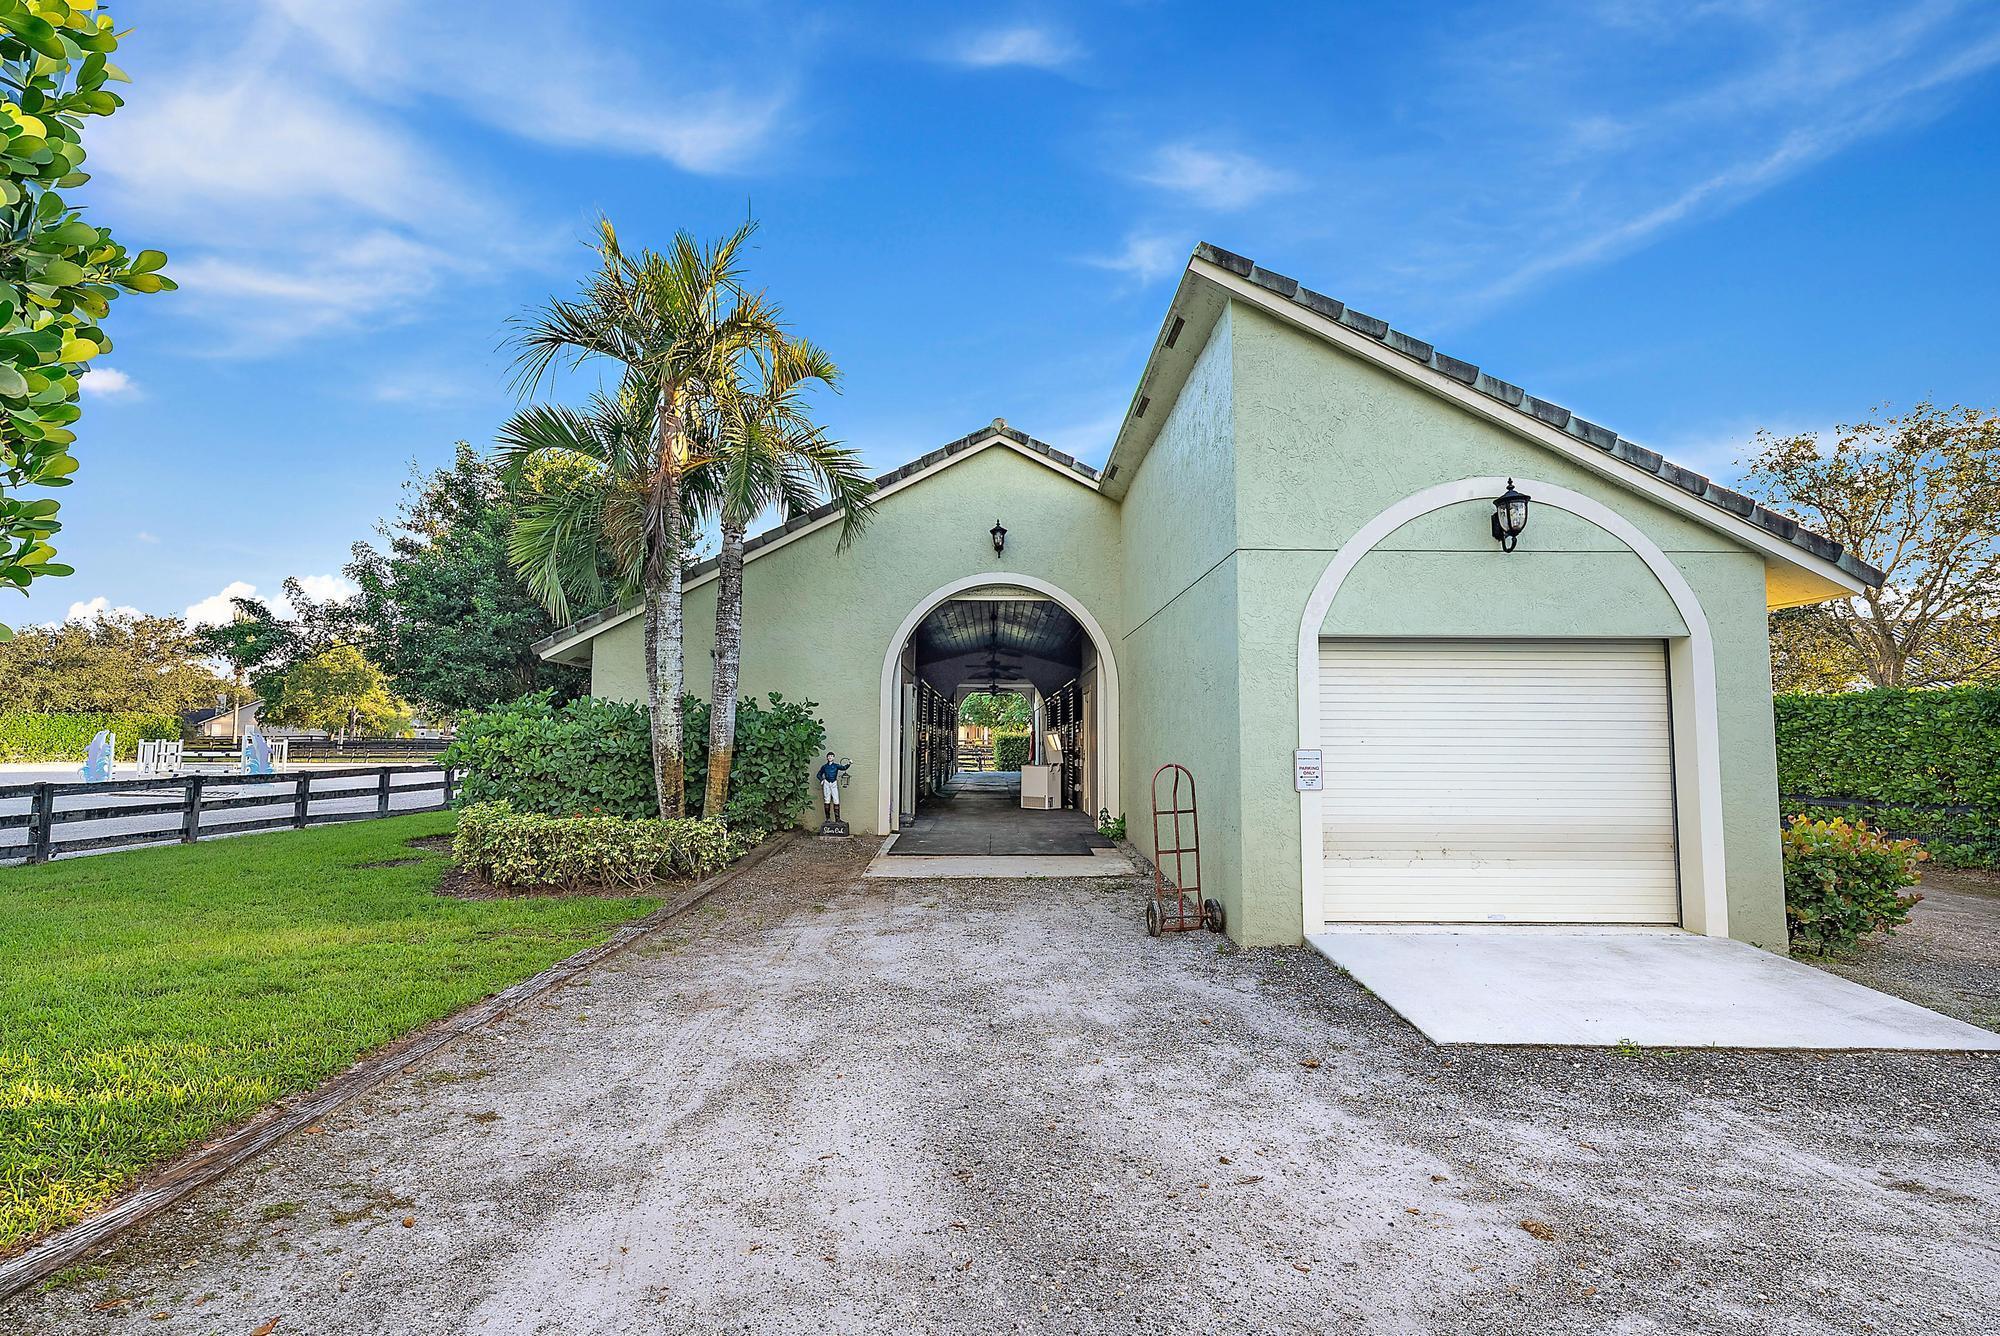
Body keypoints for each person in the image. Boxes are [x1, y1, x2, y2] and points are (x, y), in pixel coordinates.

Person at [817, 752, 851, 823]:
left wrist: (849, 763)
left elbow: (843, 768)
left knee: (836, 800)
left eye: (831, 756)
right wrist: (822, 780)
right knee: (827, 800)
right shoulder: (824, 766)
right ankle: (827, 819)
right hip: (826, 783)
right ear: (827, 757)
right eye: (829, 756)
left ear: (833, 758)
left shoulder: (836, 766)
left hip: (834, 783)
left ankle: (837, 819)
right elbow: (819, 774)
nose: (830, 757)